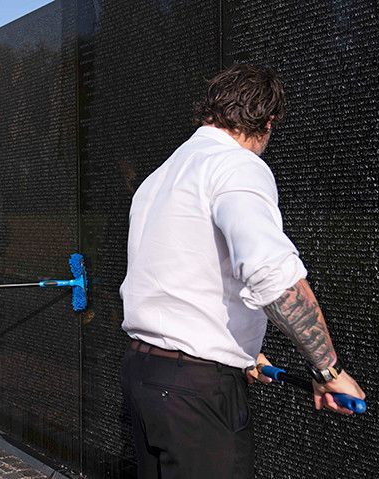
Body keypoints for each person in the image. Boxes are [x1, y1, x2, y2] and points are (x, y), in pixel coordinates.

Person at [119, 64, 366, 478]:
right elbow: (273, 276)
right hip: (195, 394)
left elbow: (181, 275)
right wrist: (328, 370)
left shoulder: (165, 173)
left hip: (144, 377)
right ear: (268, 123)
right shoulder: (237, 166)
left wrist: (238, 348)